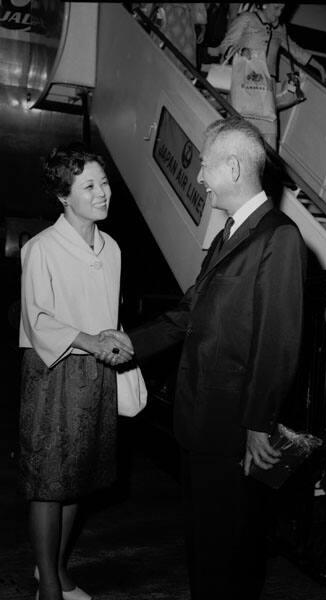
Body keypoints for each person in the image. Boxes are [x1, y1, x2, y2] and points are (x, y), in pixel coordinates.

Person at [105, 116, 307, 599]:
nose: (198, 177)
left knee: (228, 551)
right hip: (199, 420)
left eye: (206, 165)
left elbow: (279, 339)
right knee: (204, 542)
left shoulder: (279, 237)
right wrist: (132, 343)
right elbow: (188, 312)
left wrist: (259, 422)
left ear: (233, 167)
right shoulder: (231, 233)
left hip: (234, 428)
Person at [18, 144, 134, 600]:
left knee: (77, 480)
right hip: (53, 372)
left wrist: (118, 340)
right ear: (64, 196)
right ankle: (47, 582)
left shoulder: (113, 249)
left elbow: (107, 312)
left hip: (96, 373)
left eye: (104, 182)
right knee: (48, 483)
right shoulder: (41, 247)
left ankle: (59, 569)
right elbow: (36, 319)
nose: (103, 192)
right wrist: (91, 340)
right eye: (89, 185)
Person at [219, 3, 326, 148]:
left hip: (267, 89)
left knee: (268, 140)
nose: (279, 14)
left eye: (282, 10)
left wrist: (319, 66)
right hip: (244, 84)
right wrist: (241, 51)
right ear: (264, 4)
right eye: (276, 8)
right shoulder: (247, 19)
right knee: (237, 134)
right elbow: (225, 45)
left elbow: (296, 50)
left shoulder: (279, 29)